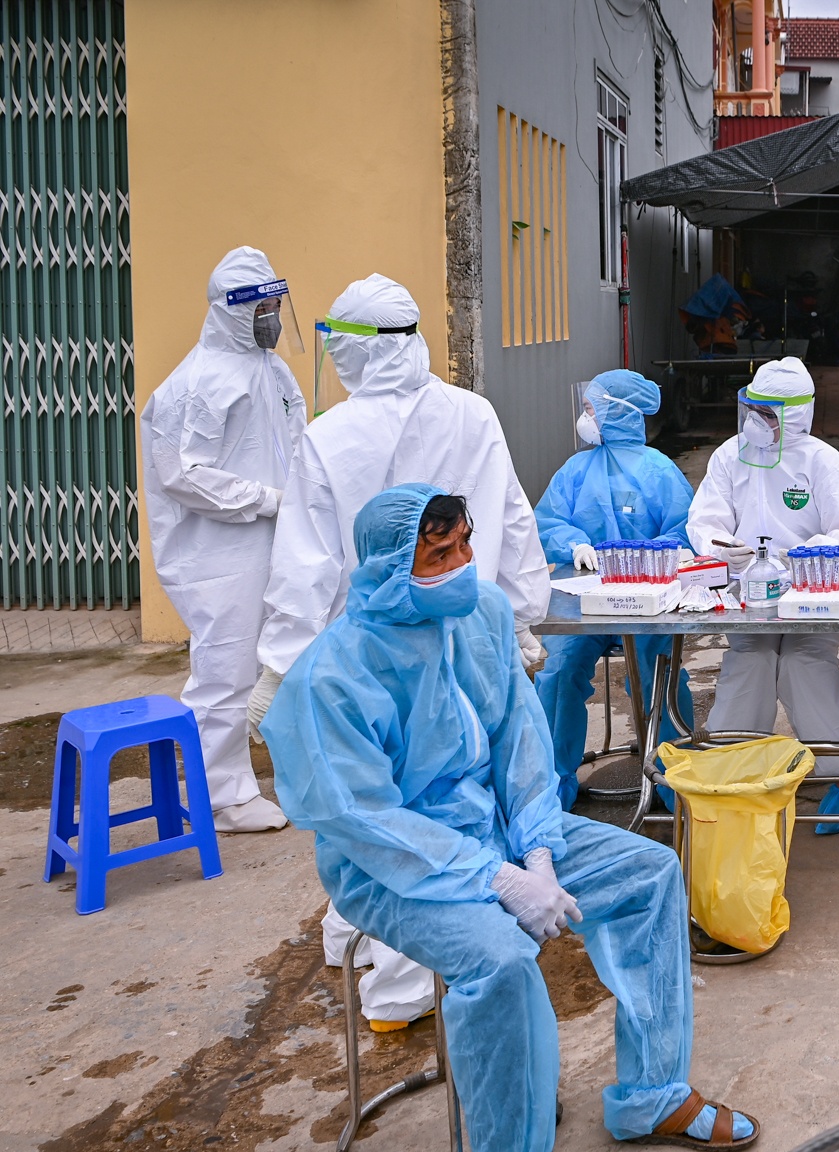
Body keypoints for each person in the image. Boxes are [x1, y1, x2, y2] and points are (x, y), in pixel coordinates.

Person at [262, 484, 756, 1152]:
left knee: (650, 873)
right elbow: (365, 820)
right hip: (395, 865)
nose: (462, 562)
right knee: (497, 960)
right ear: (394, 566)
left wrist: (537, 850)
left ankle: (650, 1094)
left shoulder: (481, 614)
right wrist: (495, 881)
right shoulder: (337, 674)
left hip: (505, 832)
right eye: (439, 553)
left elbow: (519, 739)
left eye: (463, 544)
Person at [247, 272, 550, 1030]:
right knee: (448, 798)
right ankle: (440, 978)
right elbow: (510, 520)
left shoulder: (331, 434)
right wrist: (518, 615)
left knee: (390, 810)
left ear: (354, 350)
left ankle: (397, 991)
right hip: (469, 639)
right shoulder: (471, 412)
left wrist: (284, 661)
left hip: (376, 655)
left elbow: (308, 561)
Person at [138, 246, 305, 833]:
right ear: (233, 310)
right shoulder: (198, 383)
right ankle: (223, 796)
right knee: (225, 672)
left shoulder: (270, 369)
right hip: (218, 554)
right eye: (261, 308)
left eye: (275, 305)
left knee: (282, 659)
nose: (272, 319)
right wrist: (268, 501)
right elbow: (182, 473)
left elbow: (293, 441)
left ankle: (276, 777)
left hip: (270, 539)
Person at [684, 357, 839, 834]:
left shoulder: (822, 461)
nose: (757, 422)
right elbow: (705, 518)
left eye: (769, 414)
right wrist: (720, 548)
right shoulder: (731, 455)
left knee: (803, 663)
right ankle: (732, 779)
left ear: (795, 416)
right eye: (753, 409)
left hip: (812, 590)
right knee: (748, 661)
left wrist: (806, 556)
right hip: (747, 590)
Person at [533, 370, 695, 809]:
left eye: (591, 408)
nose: (585, 417)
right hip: (582, 603)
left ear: (615, 412)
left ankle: (674, 777)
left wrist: (644, 558)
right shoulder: (575, 469)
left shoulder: (660, 471)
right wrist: (574, 543)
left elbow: (686, 533)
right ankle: (548, 784)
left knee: (658, 671)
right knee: (561, 672)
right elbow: (545, 520)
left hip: (647, 601)